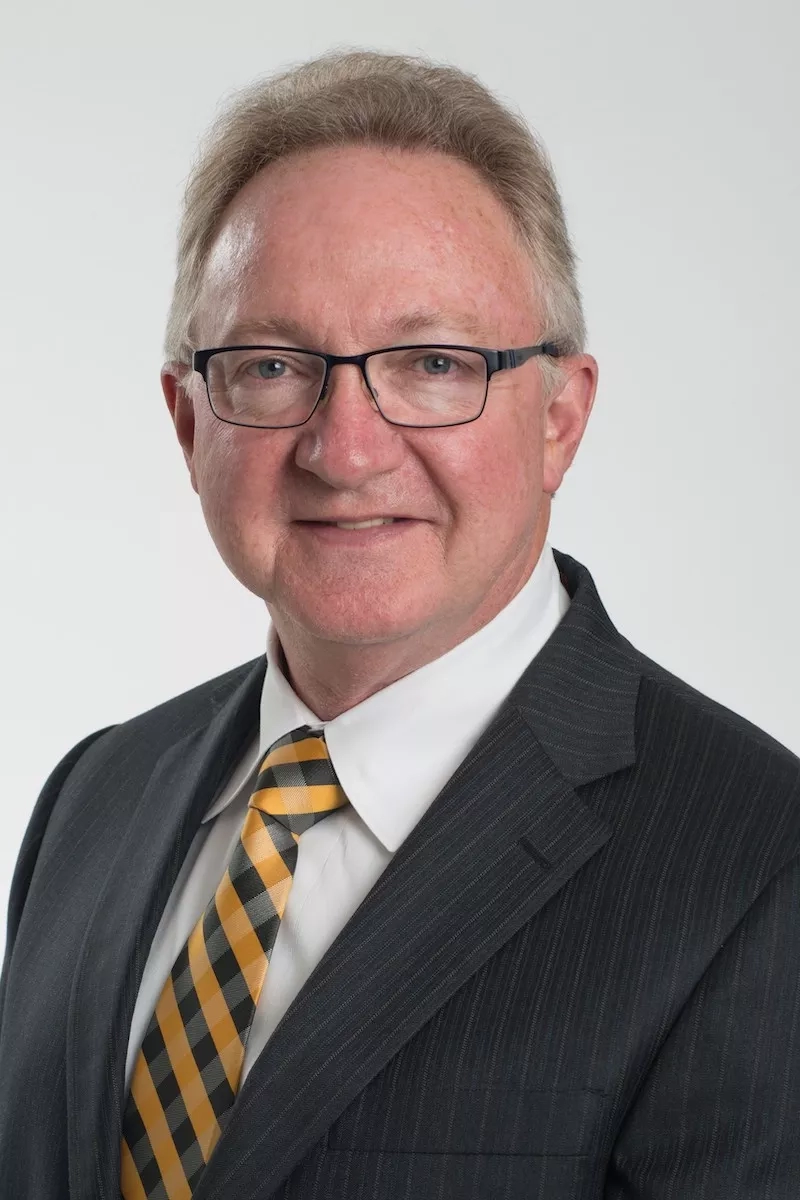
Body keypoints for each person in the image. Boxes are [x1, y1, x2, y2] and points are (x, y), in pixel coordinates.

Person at [0, 48, 798, 1200]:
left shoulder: (755, 865)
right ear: (188, 423)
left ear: (558, 420)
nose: (345, 447)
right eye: (273, 367)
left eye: (431, 363)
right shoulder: (94, 798)